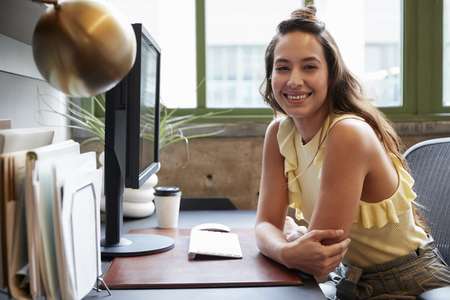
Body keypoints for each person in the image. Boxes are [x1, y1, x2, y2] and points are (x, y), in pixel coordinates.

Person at [254, 5, 450, 300]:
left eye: (309, 66)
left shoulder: (347, 133)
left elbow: (320, 254)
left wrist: (291, 238)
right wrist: (288, 247)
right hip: (350, 279)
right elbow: (265, 225)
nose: (293, 80)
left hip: (409, 282)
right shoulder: (279, 133)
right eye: (282, 67)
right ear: (271, 76)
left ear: (331, 75)